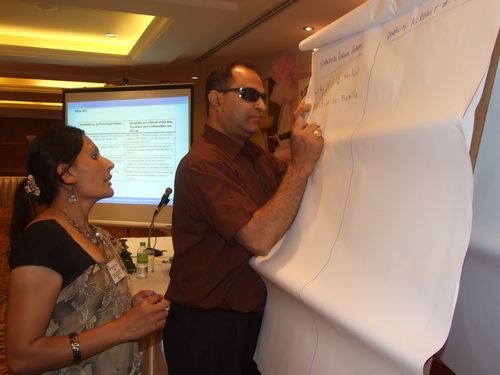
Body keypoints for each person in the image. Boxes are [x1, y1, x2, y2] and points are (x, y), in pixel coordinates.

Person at [163, 61, 324, 375]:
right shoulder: (202, 164)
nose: (261, 105)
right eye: (249, 95)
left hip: (249, 320)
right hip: (207, 329)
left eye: (263, 97)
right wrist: (300, 167)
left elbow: (293, 196)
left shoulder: (255, 156)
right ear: (216, 100)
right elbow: (258, 237)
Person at [6, 125, 170, 375]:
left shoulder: (98, 234)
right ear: (67, 173)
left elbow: (81, 311)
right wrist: (123, 328)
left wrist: (125, 305)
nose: (109, 163)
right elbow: (22, 358)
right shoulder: (43, 240)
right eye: (94, 155)